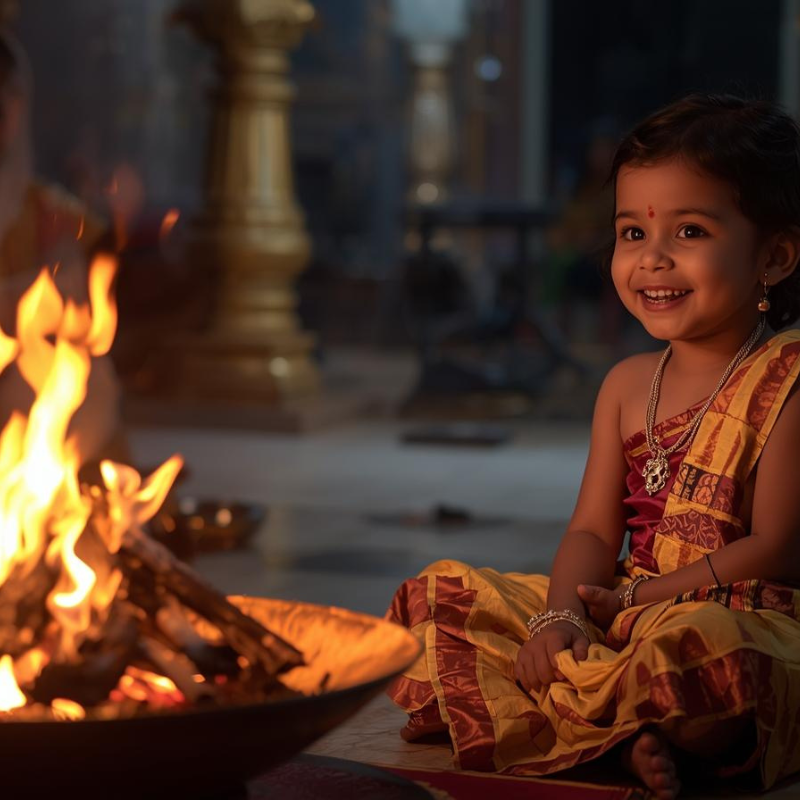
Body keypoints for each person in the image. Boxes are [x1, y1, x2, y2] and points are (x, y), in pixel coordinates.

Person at [386, 93, 800, 800]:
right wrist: (561, 618)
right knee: (442, 598)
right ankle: (624, 721)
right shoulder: (624, 384)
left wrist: (639, 599)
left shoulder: (788, 378)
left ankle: (621, 723)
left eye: (690, 231)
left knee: (710, 655)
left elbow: (777, 548)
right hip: (620, 608)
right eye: (632, 234)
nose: (653, 260)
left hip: (733, 608)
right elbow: (589, 529)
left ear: (775, 255)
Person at [0, 30, 127, 465]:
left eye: (8, 95)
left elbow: (71, 299)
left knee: (80, 375)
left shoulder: (53, 216)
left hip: (20, 379)